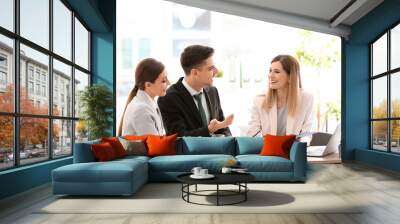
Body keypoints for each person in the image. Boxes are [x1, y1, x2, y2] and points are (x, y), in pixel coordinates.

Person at [158, 45, 233, 137]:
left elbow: (222, 127)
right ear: (195, 73)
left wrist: (229, 141)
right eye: (210, 68)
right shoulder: (169, 98)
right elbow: (178, 137)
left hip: (218, 150)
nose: (216, 72)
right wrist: (209, 130)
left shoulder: (212, 91)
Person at [247, 55, 313, 138]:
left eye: (276, 72)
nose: (270, 75)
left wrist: (300, 146)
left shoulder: (306, 98)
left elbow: (306, 133)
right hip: (267, 149)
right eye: (270, 71)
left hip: (294, 149)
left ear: (290, 77)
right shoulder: (259, 100)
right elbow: (252, 134)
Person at [118, 58, 169, 136]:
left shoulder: (148, 103)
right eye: (164, 81)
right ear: (148, 85)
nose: (169, 83)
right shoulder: (142, 109)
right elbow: (154, 146)